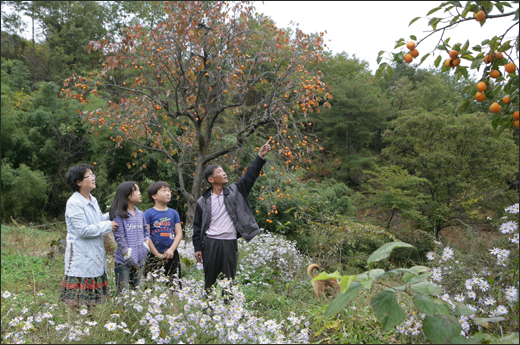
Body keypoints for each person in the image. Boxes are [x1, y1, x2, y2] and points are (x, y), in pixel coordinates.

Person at [192, 139, 271, 291]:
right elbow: (197, 226)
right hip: (210, 244)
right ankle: (208, 311)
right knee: (210, 282)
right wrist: (198, 248)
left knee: (228, 282)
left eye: (223, 170)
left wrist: (260, 157)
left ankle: (228, 312)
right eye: (220, 172)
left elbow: (249, 176)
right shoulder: (203, 201)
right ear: (211, 179)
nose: (224, 173)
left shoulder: (236, 191)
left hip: (229, 243)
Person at [59, 164, 119, 312]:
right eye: (89, 175)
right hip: (81, 259)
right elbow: (83, 230)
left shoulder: (93, 199)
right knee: (78, 303)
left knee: (91, 305)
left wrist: (114, 212)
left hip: (94, 256)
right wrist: (108, 225)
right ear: (79, 182)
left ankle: (87, 327)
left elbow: (97, 220)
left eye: (93, 175)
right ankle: (77, 329)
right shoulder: (74, 203)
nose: (93, 178)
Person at [110, 181, 150, 294]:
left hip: (140, 260)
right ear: (126, 194)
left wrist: (145, 245)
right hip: (123, 262)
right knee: (123, 294)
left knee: (137, 293)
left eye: (139, 190)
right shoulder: (119, 214)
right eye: (136, 190)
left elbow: (146, 232)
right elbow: (119, 237)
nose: (139, 193)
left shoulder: (140, 213)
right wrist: (127, 254)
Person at [144, 181, 183, 286]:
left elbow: (179, 233)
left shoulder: (174, 213)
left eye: (168, 190)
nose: (168, 193)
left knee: (174, 284)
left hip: (171, 255)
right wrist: (157, 254)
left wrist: (171, 250)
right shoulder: (148, 213)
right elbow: (146, 235)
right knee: (151, 285)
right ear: (154, 196)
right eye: (164, 190)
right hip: (153, 255)